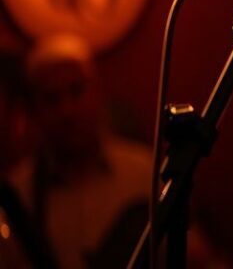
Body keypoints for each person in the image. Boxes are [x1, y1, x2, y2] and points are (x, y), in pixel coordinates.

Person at [6, 33, 152, 269]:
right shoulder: (19, 194)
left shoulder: (144, 174)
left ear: (98, 91)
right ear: (35, 110)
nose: (67, 110)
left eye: (76, 91)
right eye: (52, 99)